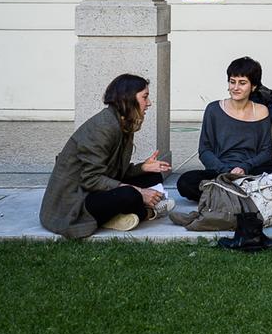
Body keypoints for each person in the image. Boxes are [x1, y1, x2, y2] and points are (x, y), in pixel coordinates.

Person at [39, 74, 174, 237]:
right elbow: (91, 179)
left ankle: (124, 214)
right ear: (128, 98)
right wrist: (139, 191)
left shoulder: (123, 122)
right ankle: (142, 213)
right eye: (145, 97)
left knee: (153, 177)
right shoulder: (103, 127)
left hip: (95, 188)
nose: (149, 103)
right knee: (131, 195)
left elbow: (114, 172)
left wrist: (143, 167)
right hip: (75, 201)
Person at [176, 56, 272, 201]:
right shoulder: (214, 109)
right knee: (185, 182)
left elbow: (266, 152)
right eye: (232, 82)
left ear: (253, 86)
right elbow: (204, 150)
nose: (235, 88)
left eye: (242, 83)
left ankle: (224, 195)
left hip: (249, 172)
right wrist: (226, 171)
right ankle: (245, 194)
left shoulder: (261, 111)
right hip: (220, 172)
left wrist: (244, 168)